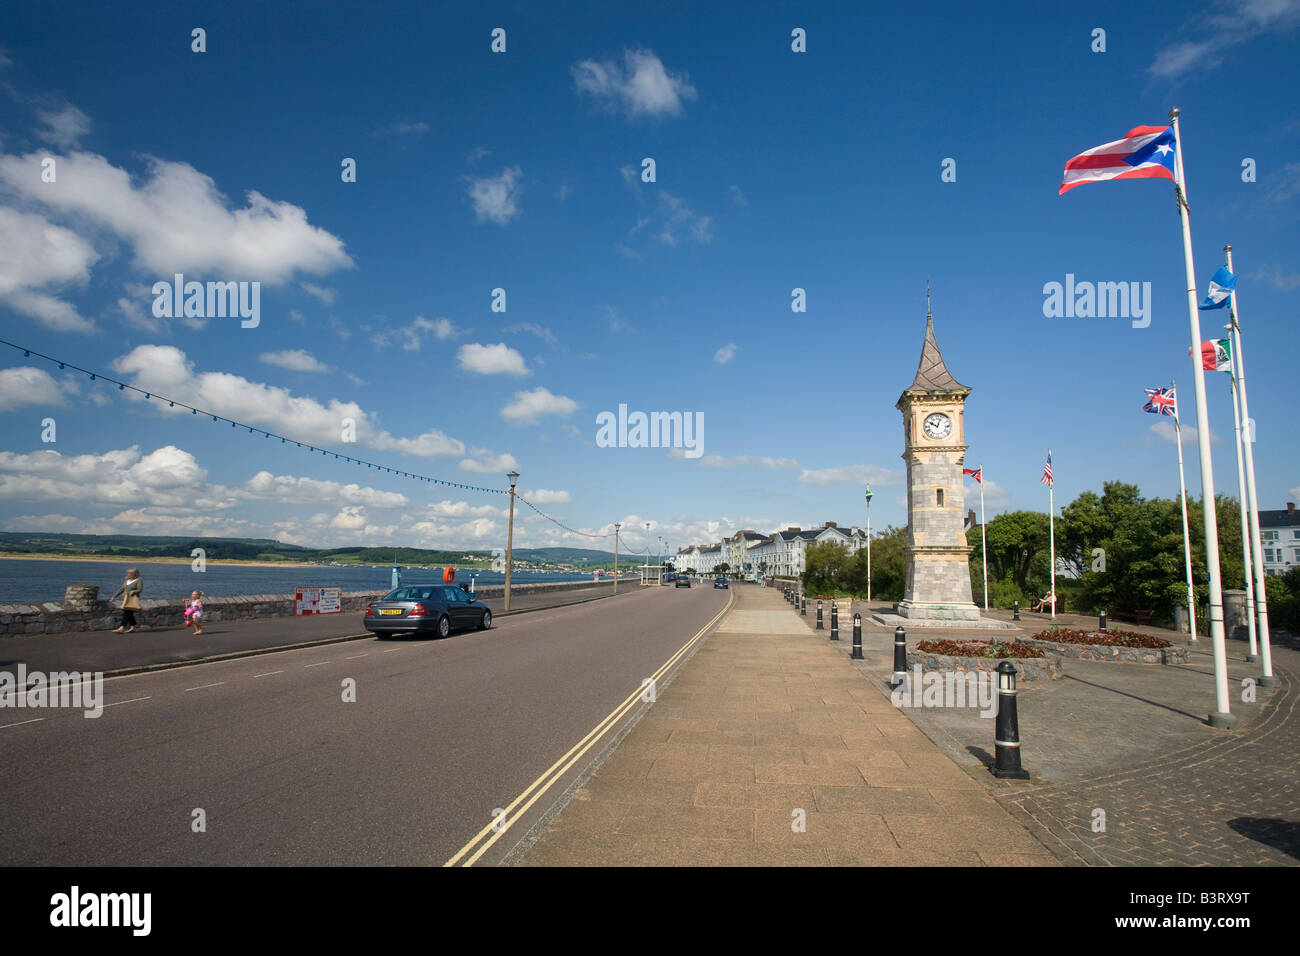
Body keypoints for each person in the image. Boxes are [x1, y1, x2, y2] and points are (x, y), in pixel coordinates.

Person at [110, 568, 143, 633]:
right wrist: (114, 596)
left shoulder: (139, 580)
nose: (128, 574)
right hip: (126, 599)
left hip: (132, 599)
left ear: (134, 574)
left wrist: (130, 592)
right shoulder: (127, 580)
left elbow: (140, 590)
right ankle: (133, 627)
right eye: (127, 573)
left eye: (129, 573)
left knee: (127, 612)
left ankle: (121, 627)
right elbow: (121, 589)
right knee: (129, 613)